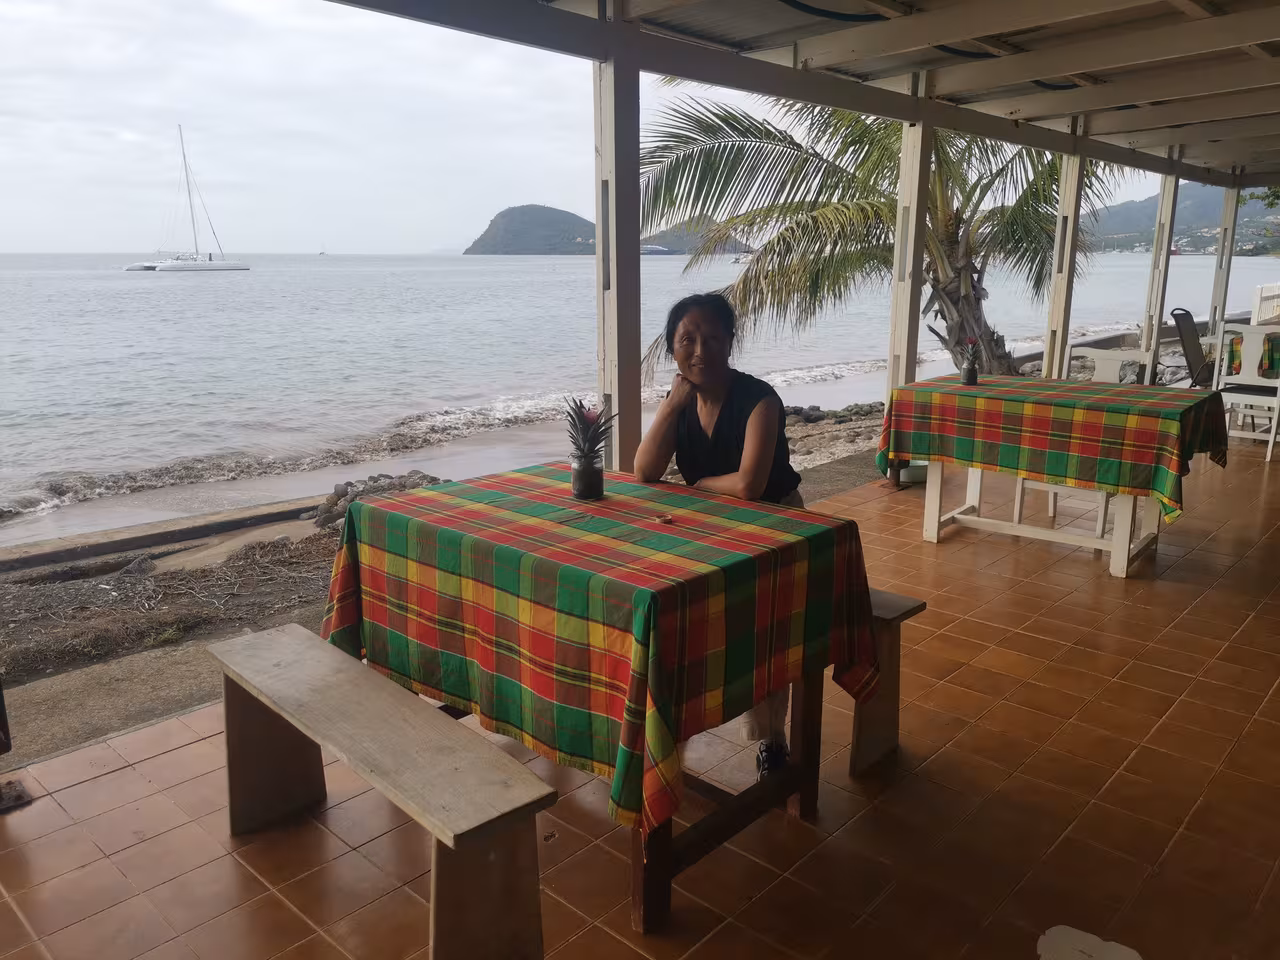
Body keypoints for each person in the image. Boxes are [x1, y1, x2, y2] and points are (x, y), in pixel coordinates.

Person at [633, 292, 802, 777]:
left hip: (776, 525)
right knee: (680, 621)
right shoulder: (682, 403)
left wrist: (700, 485)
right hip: (712, 531)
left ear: (730, 340)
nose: (700, 350)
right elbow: (644, 470)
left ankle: (772, 738)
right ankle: (671, 733)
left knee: (765, 633)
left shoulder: (759, 399)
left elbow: (750, 485)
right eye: (687, 340)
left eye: (711, 338)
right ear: (672, 348)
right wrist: (671, 406)